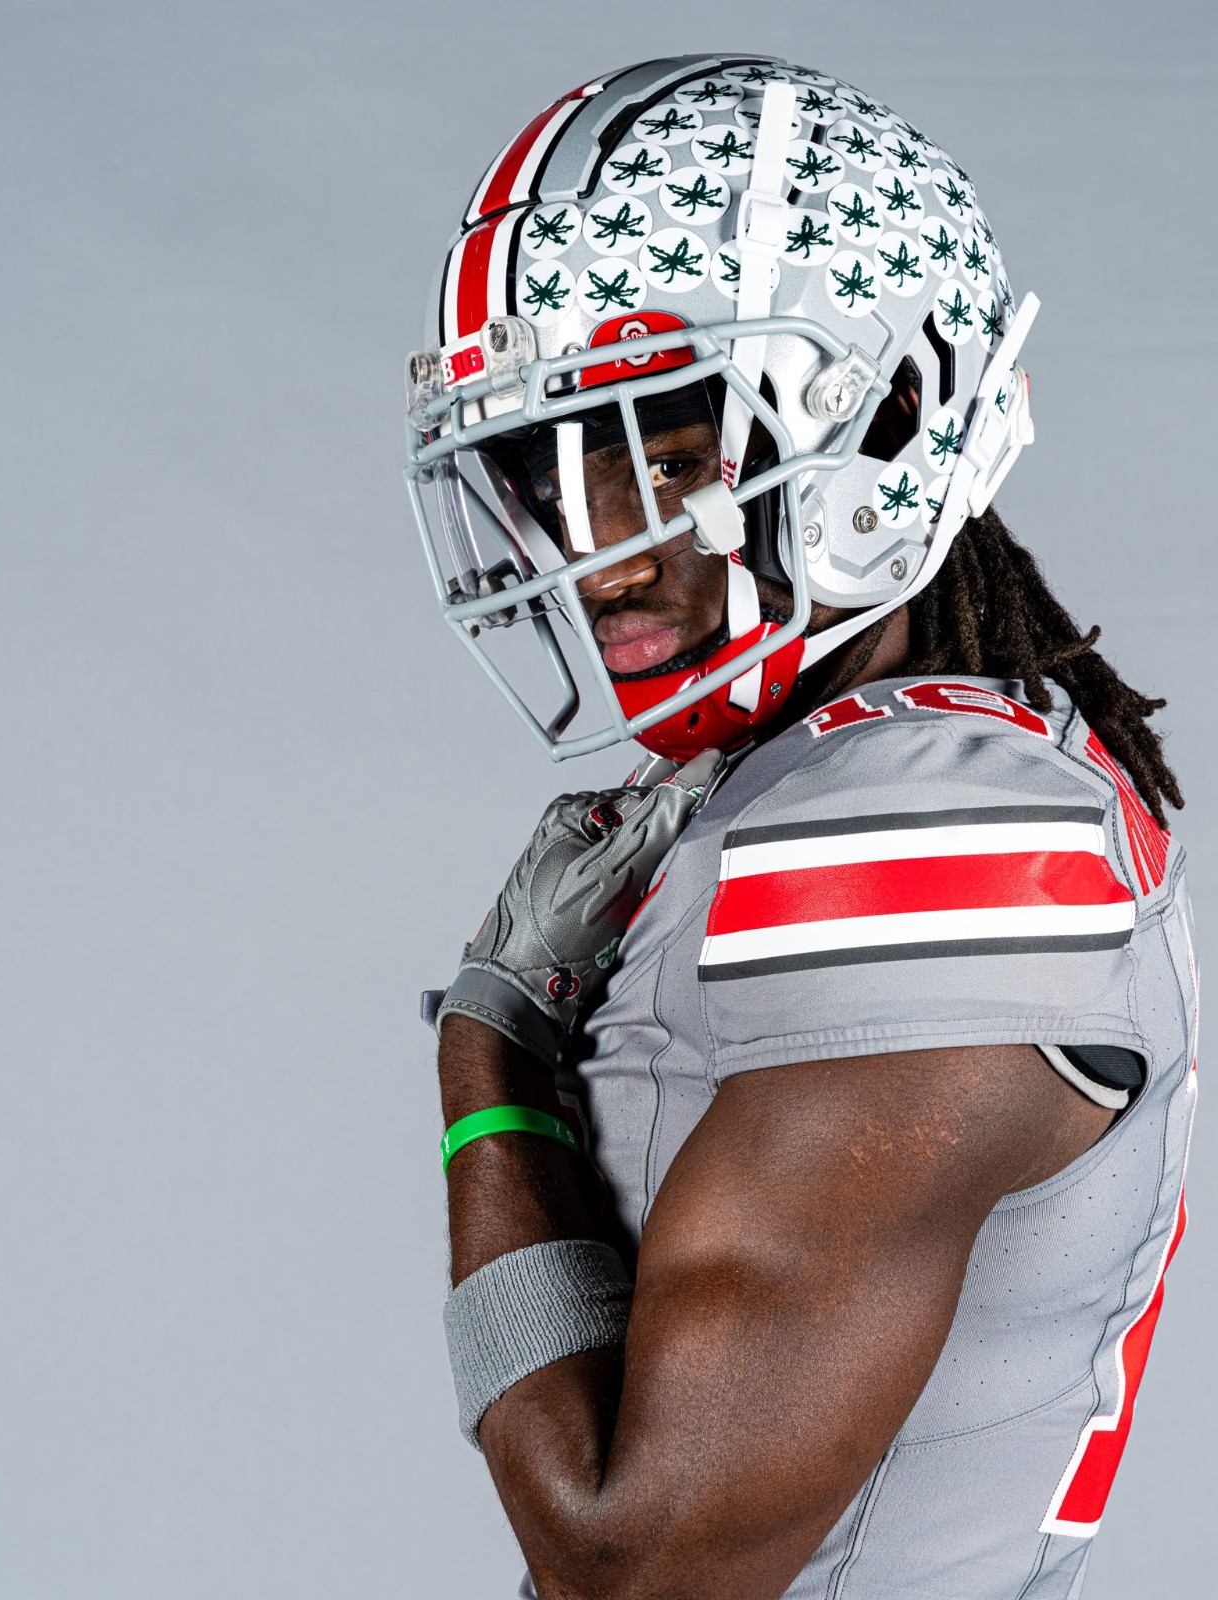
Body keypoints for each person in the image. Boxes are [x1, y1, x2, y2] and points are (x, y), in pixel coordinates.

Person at [405, 55, 1196, 1599]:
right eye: (549, 480)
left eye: (664, 462)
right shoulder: (845, 771)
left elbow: (633, 1565)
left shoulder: (937, 830)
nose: (600, 557)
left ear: (887, 418)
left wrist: (489, 1052)